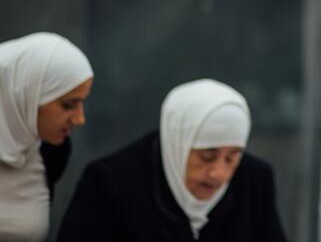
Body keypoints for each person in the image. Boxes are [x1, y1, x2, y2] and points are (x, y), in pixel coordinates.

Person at [58, 79, 287, 242]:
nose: (219, 173)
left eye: (232, 157)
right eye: (207, 156)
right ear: (178, 144)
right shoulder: (111, 183)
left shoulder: (254, 180)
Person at [0, 32, 94, 242]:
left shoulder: (52, 150)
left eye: (82, 103)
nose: (79, 119)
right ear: (25, 93)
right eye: (68, 105)